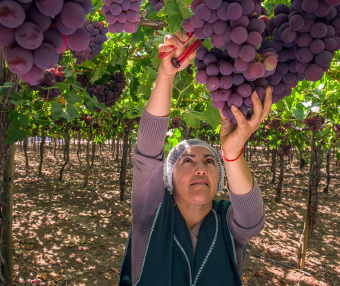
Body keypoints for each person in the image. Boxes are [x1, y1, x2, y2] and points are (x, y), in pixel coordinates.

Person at [119, 31, 272, 286]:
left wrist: (232, 154)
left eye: (211, 161)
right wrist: (166, 75)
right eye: (187, 160)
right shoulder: (150, 211)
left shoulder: (228, 223)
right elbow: (147, 150)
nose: (201, 168)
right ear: (168, 177)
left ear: (221, 178)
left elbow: (252, 221)